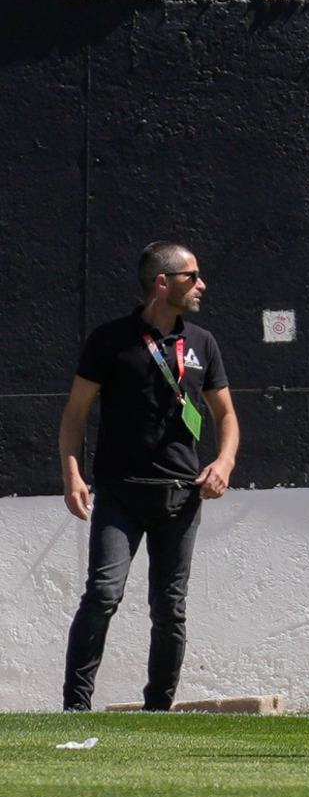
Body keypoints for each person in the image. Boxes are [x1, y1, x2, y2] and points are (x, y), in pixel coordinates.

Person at [60, 241, 239, 712]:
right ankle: (75, 708)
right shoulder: (110, 340)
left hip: (182, 497)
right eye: (192, 276)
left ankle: (158, 711)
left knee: (170, 607)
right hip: (120, 495)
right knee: (103, 593)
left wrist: (223, 463)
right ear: (163, 282)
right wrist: (72, 474)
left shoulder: (202, 342)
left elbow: (225, 416)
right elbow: (75, 413)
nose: (201, 285)